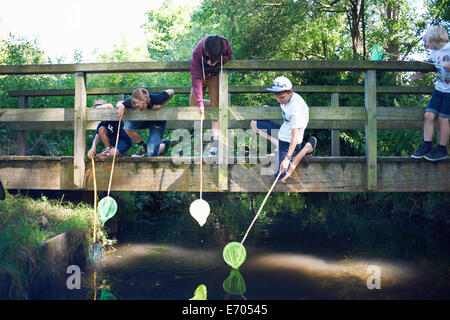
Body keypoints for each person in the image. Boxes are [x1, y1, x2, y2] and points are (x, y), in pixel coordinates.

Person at [250, 76, 317, 183]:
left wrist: (287, 159)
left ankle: (307, 148)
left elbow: (294, 136)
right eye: (276, 97)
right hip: (283, 131)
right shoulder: (285, 97)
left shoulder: (296, 110)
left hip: (290, 140)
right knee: (255, 123)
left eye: (282, 97)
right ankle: (278, 145)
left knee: (281, 176)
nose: (279, 100)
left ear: (290, 92)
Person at [411, 25, 450, 161]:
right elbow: (433, 65)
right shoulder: (433, 53)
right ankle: (426, 145)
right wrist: (421, 74)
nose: (426, 45)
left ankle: (441, 149)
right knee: (428, 115)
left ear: (434, 39)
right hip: (440, 89)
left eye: (427, 42)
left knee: (443, 118)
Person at [190, 35, 233, 156]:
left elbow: (229, 56)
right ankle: (217, 105)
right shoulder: (197, 53)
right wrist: (200, 103)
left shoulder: (224, 44)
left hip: (214, 76)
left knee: (215, 108)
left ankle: (216, 143)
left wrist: (217, 61)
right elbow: (196, 78)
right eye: (208, 56)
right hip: (201, 76)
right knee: (193, 106)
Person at [116, 88, 174, 157]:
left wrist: (162, 104)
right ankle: (144, 147)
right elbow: (119, 103)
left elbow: (171, 91)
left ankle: (165, 144)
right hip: (143, 121)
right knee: (127, 126)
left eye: (140, 108)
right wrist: (121, 106)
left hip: (157, 124)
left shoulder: (157, 98)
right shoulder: (134, 102)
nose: (138, 110)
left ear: (148, 100)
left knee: (151, 154)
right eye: (136, 108)